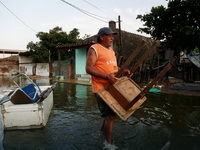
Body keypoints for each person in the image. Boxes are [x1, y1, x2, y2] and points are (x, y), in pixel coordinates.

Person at [86, 27, 131, 148]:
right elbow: (89, 69)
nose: (112, 38)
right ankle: (108, 145)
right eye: (110, 35)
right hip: (101, 89)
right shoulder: (94, 48)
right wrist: (107, 76)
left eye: (113, 36)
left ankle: (102, 132)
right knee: (111, 116)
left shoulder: (111, 51)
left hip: (112, 87)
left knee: (109, 115)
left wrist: (123, 72)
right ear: (102, 37)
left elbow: (113, 71)